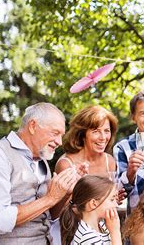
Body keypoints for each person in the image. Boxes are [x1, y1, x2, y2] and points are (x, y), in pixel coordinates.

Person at [0, 102, 79, 244]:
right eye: (55, 133)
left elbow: (49, 216)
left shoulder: (42, 160)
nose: (59, 142)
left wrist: (65, 193)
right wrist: (50, 198)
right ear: (32, 126)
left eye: (61, 135)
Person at [50, 105, 122, 245]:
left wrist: (111, 199)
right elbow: (57, 213)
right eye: (96, 131)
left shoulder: (110, 161)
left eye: (106, 131)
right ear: (82, 133)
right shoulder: (66, 164)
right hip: (74, 234)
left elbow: (102, 200)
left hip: (102, 230)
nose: (103, 137)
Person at [60, 175, 121, 245]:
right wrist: (115, 232)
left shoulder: (102, 226)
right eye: (112, 200)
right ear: (93, 204)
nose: (116, 205)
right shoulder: (88, 236)